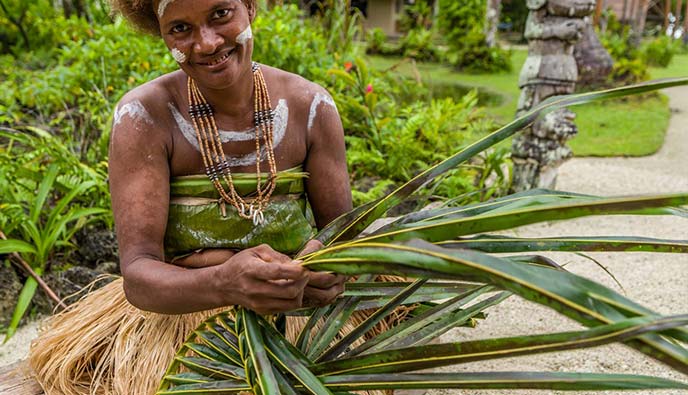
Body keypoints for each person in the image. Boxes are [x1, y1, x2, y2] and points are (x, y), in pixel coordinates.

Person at [29, 0, 353, 393]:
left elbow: (343, 229)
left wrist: (324, 262)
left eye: (220, 14)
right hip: (184, 328)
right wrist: (224, 283)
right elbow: (139, 276)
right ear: (160, 32)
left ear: (249, 7)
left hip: (298, 324)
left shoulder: (309, 106)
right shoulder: (144, 117)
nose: (207, 44)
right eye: (180, 29)